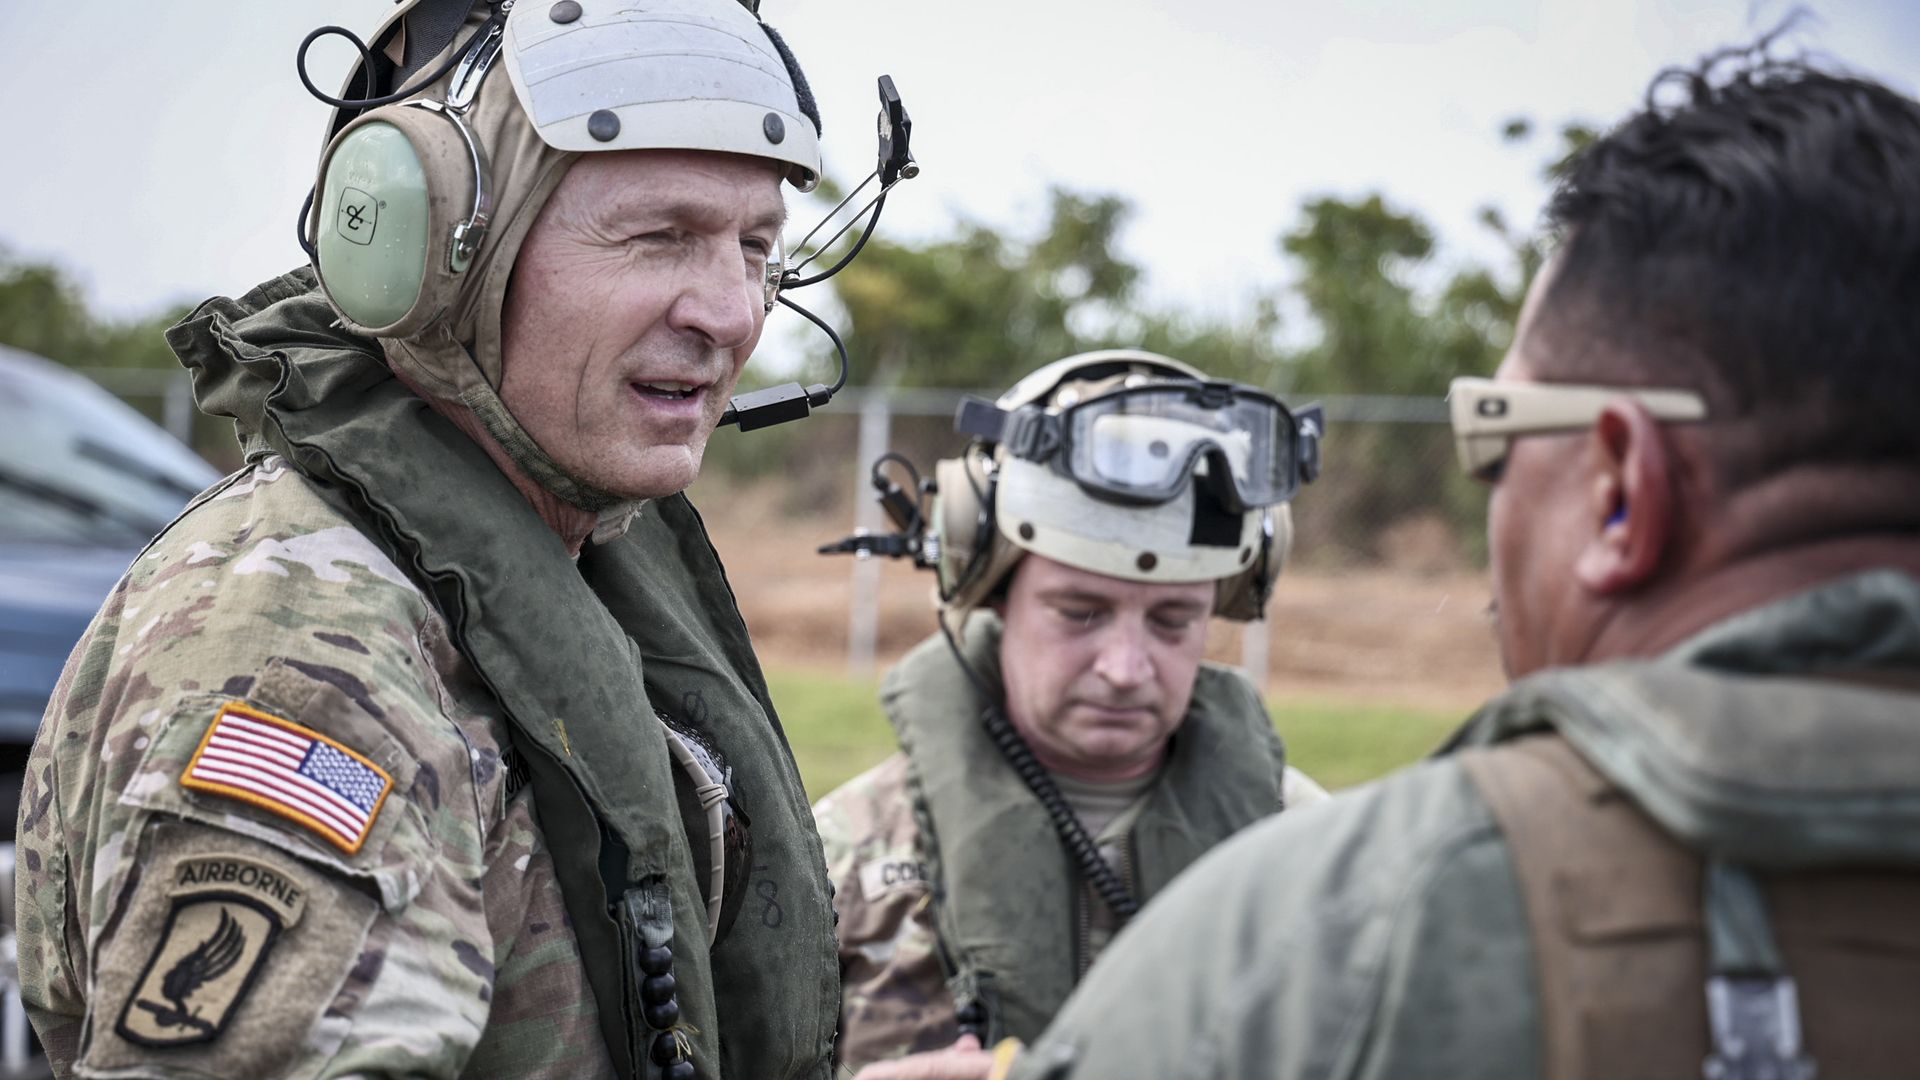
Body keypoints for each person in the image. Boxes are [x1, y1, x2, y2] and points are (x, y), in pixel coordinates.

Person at [954, 46, 1920, 1080]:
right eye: (1081, 611)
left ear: (1621, 486)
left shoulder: (1313, 932)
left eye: (1494, 434)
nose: (1125, 665)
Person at [13, 0, 884, 1075]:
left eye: (756, 247)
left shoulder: (579, 563)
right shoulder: (302, 653)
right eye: (660, 236)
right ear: (435, 254)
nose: (732, 312)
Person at [811, 350, 1330, 1074]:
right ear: (985, 586)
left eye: (1174, 622)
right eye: (1080, 613)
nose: (1125, 668)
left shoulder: (1318, 857)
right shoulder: (834, 861)